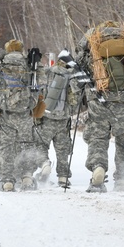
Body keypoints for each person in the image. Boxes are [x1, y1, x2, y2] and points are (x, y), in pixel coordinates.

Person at [75, 21, 124, 193]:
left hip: (97, 101)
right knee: (123, 138)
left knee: (98, 137)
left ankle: (98, 169)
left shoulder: (92, 43)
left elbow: (76, 79)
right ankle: (122, 178)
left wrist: (80, 93)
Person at [0, 39, 44, 191]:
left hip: (5, 113)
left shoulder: (0, 63)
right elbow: (41, 82)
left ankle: (7, 180)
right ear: (21, 49)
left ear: (7, 49)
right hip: (25, 112)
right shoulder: (29, 62)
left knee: (5, 147)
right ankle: (26, 177)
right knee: (26, 144)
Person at [33, 52, 82, 188]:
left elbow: (38, 91)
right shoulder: (72, 76)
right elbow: (75, 101)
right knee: (63, 150)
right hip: (63, 120)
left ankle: (44, 164)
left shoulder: (47, 72)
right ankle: (63, 177)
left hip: (46, 118)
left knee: (41, 145)